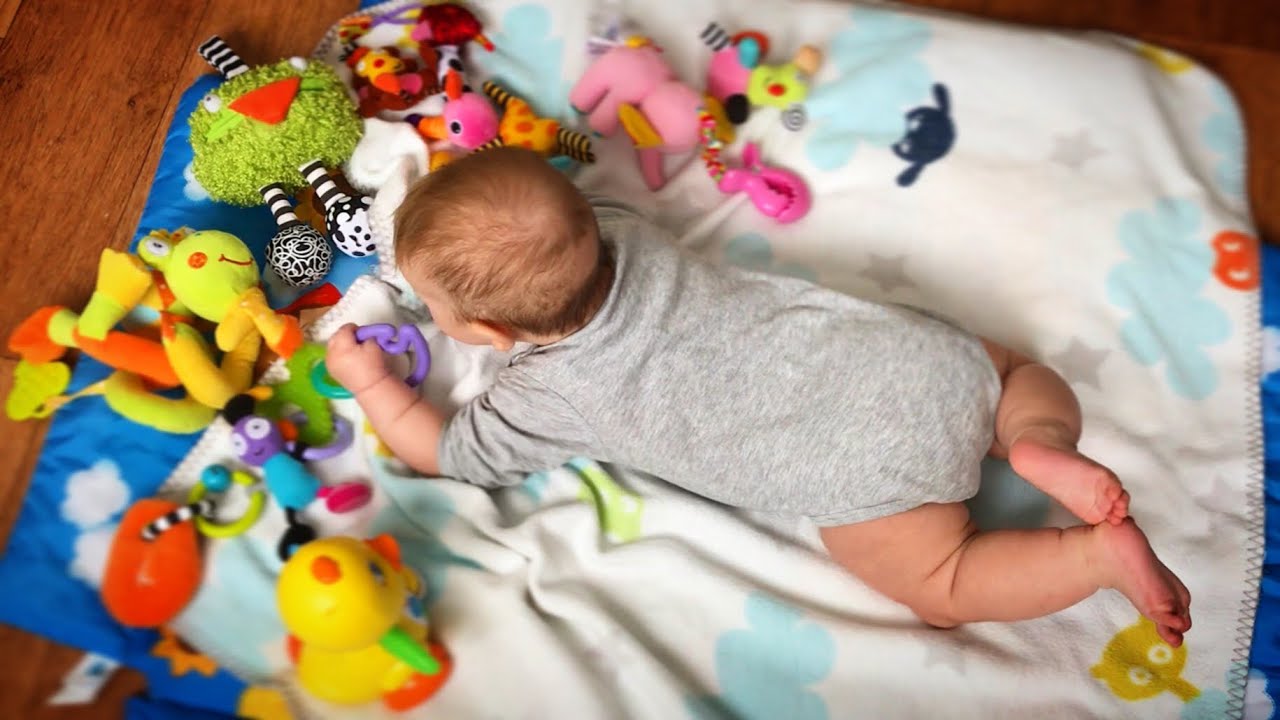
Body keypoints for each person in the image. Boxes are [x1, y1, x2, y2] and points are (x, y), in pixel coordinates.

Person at [326, 148, 1192, 645]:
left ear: (486, 331)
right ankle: (1040, 440)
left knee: (944, 582)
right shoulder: (621, 233)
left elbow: (446, 453)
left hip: (867, 477)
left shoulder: (546, 396)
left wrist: (371, 383)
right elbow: (549, 209)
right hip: (911, 360)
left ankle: (1091, 559)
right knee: (1011, 374)